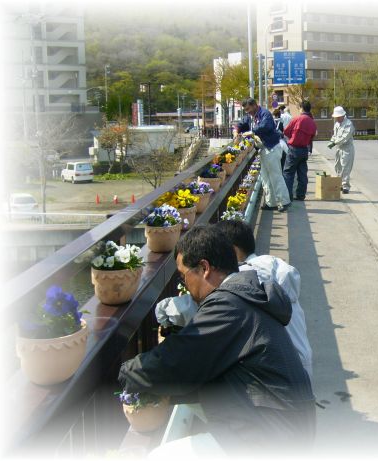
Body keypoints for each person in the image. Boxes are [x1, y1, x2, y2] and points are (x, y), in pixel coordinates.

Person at [119, 225, 315, 454]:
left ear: (204, 268)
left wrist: (122, 373)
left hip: (271, 436)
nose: (184, 285)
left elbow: (175, 363)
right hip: (288, 425)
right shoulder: (247, 294)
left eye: (183, 276)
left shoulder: (229, 305)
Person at [214, 220, 313, 380]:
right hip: (301, 364)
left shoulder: (246, 278)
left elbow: (217, 304)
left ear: (232, 250)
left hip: (278, 373)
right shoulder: (273, 266)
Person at [237, 97, 291, 212]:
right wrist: (237, 129)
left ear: (254, 105)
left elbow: (265, 126)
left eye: (248, 109)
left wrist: (252, 132)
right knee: (266, 177)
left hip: (272, 148)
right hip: (264, 148)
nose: (247, 112)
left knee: (275, 175)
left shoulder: (265, 113)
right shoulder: (254, 116)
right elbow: (243, 122)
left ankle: (284, 201)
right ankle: (271, 203)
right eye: (245, 110)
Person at [282, 100, 317, 201]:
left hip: (294, 148)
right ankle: (301, 195)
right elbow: (312, 137)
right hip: (304, 149)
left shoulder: (297, 119)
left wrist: (293, 136)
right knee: (302, 174)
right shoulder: (312, 122)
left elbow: (286, 131)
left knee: (288, 173)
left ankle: (288, 196)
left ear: (301, 108)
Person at [327, 106, 355, 194]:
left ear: (342, 115)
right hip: (339, 148)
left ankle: (345, 186)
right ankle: (339, 184)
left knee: (345, 167)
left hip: (347, 148)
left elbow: (345, 137)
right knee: (337, 166)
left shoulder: (348, 124)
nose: (336, 118)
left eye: (338, 117)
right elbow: (335, 135)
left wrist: (334, 143)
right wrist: (332, 141)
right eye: (336, 117)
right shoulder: (337, 124)